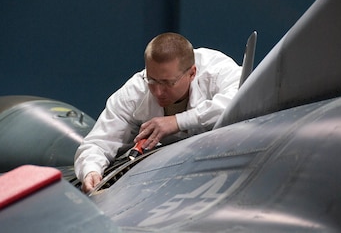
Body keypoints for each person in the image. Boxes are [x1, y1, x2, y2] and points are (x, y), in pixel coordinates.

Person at [74, 32, 242, 192]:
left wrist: (177, 121)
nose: (158, 92)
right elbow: (98, 143)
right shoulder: (134, 93)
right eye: (152, 80)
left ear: (192, 73)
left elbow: (239, 99)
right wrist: (91, 171)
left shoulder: (216, 70)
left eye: (168, 83)